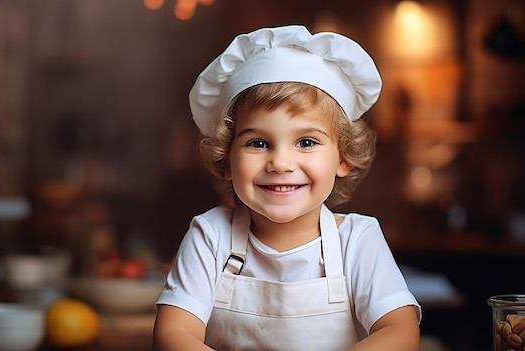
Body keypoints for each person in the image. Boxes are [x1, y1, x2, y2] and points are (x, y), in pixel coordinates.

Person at [153, 25, 422, 351]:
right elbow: (173, 335)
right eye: (258, 143)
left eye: (306, 142)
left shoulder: (358, 240)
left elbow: (401, 333)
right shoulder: (210, 237)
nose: (280, 163)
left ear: (344, 157)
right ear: (226, 161)